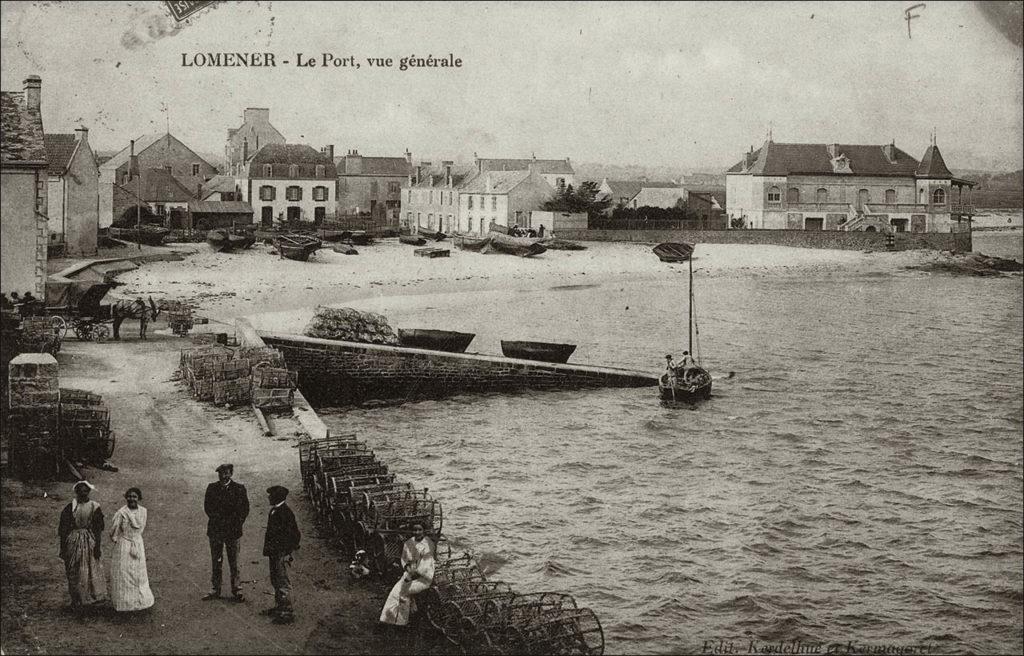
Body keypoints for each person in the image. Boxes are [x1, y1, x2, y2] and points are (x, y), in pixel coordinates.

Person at [203, 464, 249, 602]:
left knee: (234, 561)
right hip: (216, 531)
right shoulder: (211, 488)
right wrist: (219, 520)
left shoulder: (239, 489)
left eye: (226, 473)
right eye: (221, 473)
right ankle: (215, 589)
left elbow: (244, 509)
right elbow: (208, 508)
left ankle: (237, 589)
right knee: (216, 561)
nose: (223, 476)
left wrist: (235, 523)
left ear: (231, 474)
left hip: (233, 531)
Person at [58, 481, 106, 611]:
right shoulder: (71, 507)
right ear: (76, 492)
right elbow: (63, 529)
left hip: (89, 539)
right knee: (73, 569)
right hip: (73, 540)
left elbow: (98, 528)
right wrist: (63, 547)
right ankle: (76, 599)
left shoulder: (94, 507)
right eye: (80, 491)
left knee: (89, 569)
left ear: (89, 492)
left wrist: (97, 546)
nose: (83, 493)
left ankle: (88, 598)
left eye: (85, 491)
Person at [379, 523, 436, 627]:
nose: (417, 532)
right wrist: (407, 568)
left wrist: (411, 575)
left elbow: (426, 566)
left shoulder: (428, 544)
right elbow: (404, 559)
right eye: (415, 530)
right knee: (394, 592)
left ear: (424, 531)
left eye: (420, 530)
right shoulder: (408, 543)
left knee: (403, 592)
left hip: (423, 577)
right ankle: (387, 619)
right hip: (410, 573)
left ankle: (402, 622)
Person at [108, 487, 155, 612]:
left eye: (134, 496)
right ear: (126, 498)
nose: (131, 499)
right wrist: (120, 540)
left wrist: (135, 539)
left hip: (137, 543)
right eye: (129, 496)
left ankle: (140, 601)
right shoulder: (121, 513)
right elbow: (113, 530)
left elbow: (141, 527)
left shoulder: (143, 511)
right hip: (124, 544)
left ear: (139, 498)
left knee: (138, 572)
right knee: (124, 572)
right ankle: (125, 603)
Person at [263, 485, 301, 624]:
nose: (268, 497)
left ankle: (287, 612)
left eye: (270, 495)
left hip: (281, 553)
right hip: (274, 552)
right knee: (275, 579)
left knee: (283, 581)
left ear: (276, 497)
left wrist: (288, 553)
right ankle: (280, 607)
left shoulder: (285, 513)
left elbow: (294, 535)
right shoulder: (275, 510)